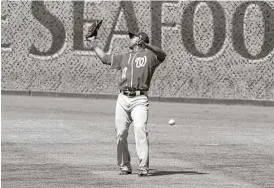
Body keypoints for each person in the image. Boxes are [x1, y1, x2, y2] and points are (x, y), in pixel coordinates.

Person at [87, 31, 167, 176]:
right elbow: (105, 58)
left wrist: (147, 45)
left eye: (133, 36)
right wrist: (92, 42)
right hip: (123, 99)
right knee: (121, 133)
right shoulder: (124, 57)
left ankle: (143, 167)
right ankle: (124, 165)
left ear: (140, 40)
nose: (129, 38)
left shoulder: (149, 56)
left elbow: (162, 54)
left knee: (140, 128)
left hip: (139, 99)